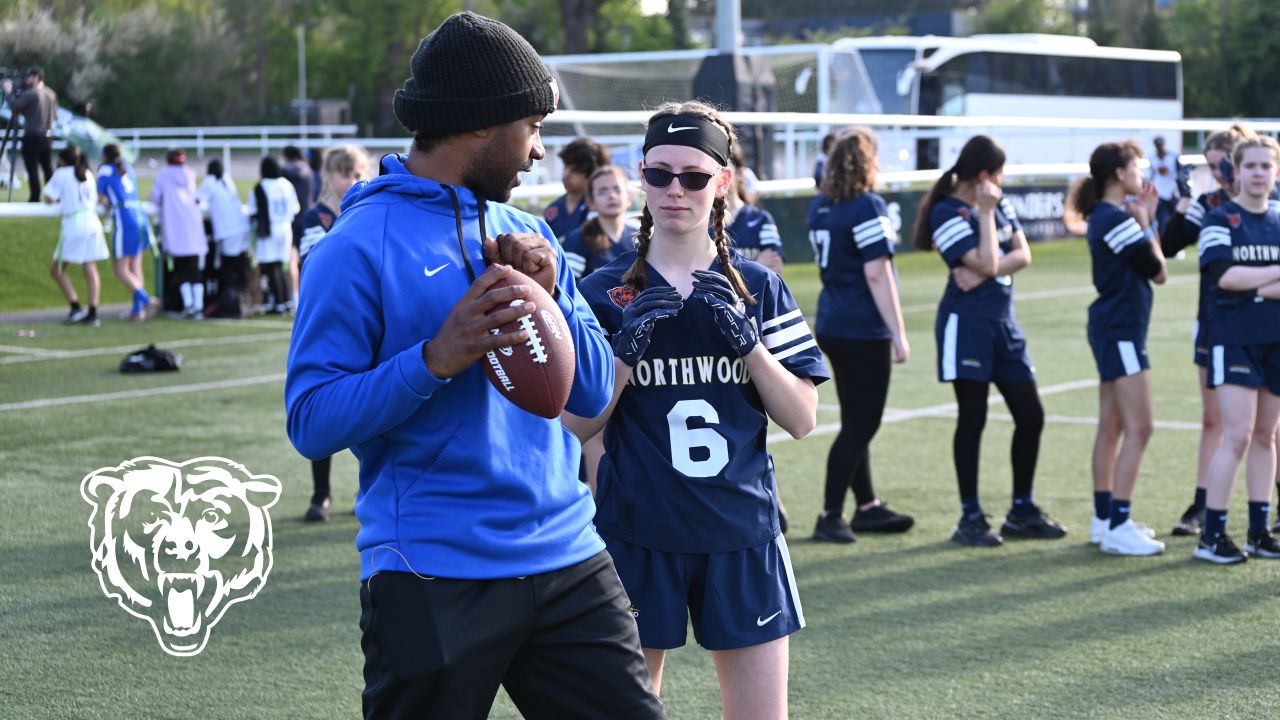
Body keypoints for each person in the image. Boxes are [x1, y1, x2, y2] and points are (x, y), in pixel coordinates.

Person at [284, 13, 664, 718]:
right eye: (531, 128)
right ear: (483, 125)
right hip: (433, 573)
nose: (541, 152)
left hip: (567, 556)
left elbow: (583, 394)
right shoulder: (353, 248)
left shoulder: (529, 229)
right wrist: (436, 358)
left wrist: (561, 301)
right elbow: (309, 421)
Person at [565, 100, 827, 719]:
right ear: (641, 175)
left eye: (693, 176)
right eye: (658, 174)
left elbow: (802, 417)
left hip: (741, 533)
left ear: (723, 183)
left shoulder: (758, 288)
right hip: (637, 532)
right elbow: (573, 425)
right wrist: (623, 354)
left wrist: (751, 348)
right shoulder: (604, 292)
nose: (673, 190)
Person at [912, 134, 1066, 547]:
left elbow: (1022, 255)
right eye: (998, 173)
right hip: (967, 326)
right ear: (984, 176)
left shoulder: (1000, 203)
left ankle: (1022, 510)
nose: (1002, 181)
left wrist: (983, 271)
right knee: (973, 418)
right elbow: (996, 259)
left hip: (1003, 325)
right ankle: (970, 517)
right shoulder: (948, 211)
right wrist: (984, 217)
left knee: (1031, 415)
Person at [808, 127, 914, 544]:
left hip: (833, 322)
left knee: (855, 418)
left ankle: (866, 505)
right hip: (861, 327)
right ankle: (830, 513)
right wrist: (898, 332)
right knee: (862, 424)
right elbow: (877, 271)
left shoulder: (820, 207)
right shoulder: (867, 205)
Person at [1157, 124, 1256, 537]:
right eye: (1213, 168)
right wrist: (1182, 200)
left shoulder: (1268, 203)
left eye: (1223, 166)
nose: (1219, 175)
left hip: (1263, 320)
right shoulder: (1209, 202)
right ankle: (1202, 505)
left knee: (1266, 424)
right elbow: (1168, 244)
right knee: (1213, 417)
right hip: (1216, 320)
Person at [1071, 140, 1169, 556]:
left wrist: (1143, 220)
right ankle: (1118, 522)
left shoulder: (1106, 215)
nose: (1142, 174)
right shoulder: (1116, 218)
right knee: (1140, 427)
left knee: (1111, 425)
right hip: (1121, 330)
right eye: (1136, 167)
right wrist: (1147, 220)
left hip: (1115, 328)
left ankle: (1104, 518)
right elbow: (1159, 271)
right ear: (1118, 174)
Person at [1193, 135, 1280, 564]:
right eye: (1252, 166)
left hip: (1275, 340)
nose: (1259, 173)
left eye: (1267, 166)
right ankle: (1211, 535)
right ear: (1237, 171)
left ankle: (1259, 531)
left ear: (1276, 172)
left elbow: (1242, 279)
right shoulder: (1219, 218)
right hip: (1233, 340)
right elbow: (1225, 277)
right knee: (1239, 436)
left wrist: (1255, 284)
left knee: (1266, 435)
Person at [295, 144, 371, 522]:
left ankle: (368, 485)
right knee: (322, 405)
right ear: (328, 176)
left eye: (357, 173)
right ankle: (321, 493)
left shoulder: (370, 213)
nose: (351, 181)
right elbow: (313, 263)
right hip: (325, 324)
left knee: (370, 406)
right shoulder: (315, 217)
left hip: (364, 322)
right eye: (344, 173)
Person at [42, 146, 107, 326]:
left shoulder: (62, 173)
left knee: (57, 270)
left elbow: (48, 198)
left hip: (74, 226)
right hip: (92, 224)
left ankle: (75, 306)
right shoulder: (87, 173)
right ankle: (93, 312)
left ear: (62, 160)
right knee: (90, 268)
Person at [97, 143, 156, 321]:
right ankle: (138, 311)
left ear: (105, 156)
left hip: (125, 219)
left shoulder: (105, 170)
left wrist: (105, 202)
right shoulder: (128, 168)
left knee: (121, 269)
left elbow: (100, 195)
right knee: (135, 266)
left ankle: (146, 299)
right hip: (140, 216)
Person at [150, 150, 207, 319]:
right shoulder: (190, 174)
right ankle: (198, 305)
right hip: (193, 225)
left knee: (182, 268)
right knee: (194, 268)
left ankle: (189, 305)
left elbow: (154, 197)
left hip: (175, 227)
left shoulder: (163, 175)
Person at [560, 165, 638, 280]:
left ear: (629, 198)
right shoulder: (577, 240)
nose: (612, 196)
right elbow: (568, 287)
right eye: (603, 191)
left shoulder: (638, 237)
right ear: (591, 202)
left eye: (617, 189)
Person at [197, 158, 253, 312]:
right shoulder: (227, 179)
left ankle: (229, 301)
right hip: (243, 227)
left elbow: (196, 200)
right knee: (240, 266)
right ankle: (243, 299)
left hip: (229, 231)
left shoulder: (209, 181)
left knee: (227, 267)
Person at [247, 156, 300, 314]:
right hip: (285, 227)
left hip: (269, 229)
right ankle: (286, 300)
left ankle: (279, 302)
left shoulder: (260, 186)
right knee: (281, 265)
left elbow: (252, 209)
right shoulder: (286, 184)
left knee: (271, 266)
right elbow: (295, 208)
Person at [2, 66, 57, 202]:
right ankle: (54, 196)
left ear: (36, 77)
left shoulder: (31, 93)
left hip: (32, 136)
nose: (26, 80)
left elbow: (15, 107)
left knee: (32, 170)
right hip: (48, 136)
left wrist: (8, 92)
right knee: (47, 169)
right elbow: (55, 114)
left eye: (29, 77)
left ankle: (34, 197)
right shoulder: (51, 94)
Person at [544, 136, 611, 240]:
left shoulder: (602, 207)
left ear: (593, 172)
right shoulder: (553, 210)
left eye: (576, 170)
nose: (566, 174)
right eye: (566, 166)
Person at [726, 169, 784, 274]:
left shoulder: (761, 219)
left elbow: (774, 267)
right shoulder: (702, 222)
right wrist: (758, 264)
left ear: (739, 173)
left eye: (724, 167)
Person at [282, 144, 316, 310]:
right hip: (308, 216)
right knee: (309, 259)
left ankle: (295, 298)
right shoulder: (308, 170)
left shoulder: (285, 172)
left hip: (293, 219)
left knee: (292, 260)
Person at [1147, 135, 1185, 233]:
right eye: (1157, 145)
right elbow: (1153, 174)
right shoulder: (1152, 158)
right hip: (1160, 193)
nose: (1159, 147)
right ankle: (1164, 243)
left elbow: (1180, 174)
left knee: (1175, 219)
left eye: (1160, 145)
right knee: (1162, 220)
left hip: (1173, 192)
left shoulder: (1173, 156)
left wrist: (1177, 189)